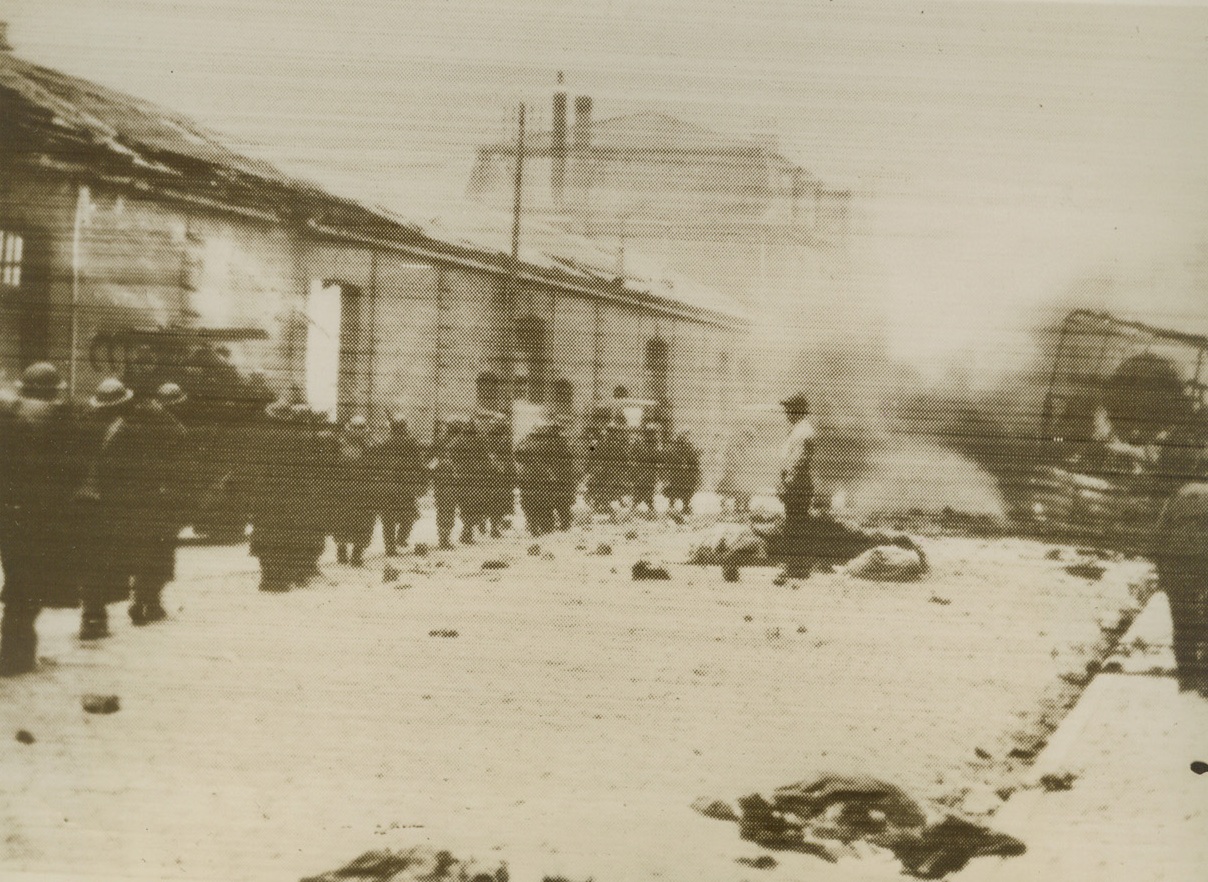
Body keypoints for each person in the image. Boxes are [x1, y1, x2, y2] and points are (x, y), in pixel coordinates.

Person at [0, 363, 78, 675]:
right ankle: (15, 655)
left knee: (17, 578)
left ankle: (13, 650)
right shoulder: (59, 418)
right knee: (29, 584)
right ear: (52, 391)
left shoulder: (8, 414)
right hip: (41, 517)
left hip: (8, 511)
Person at [92, 386, 188, 625]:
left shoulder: (126, 423)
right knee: (155, 551)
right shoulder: (149, 419)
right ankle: (147, 602)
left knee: (142, 551)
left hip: (131, 499)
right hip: (153, 497)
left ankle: (143, 603)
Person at [75, 377, 136, 639]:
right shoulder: (127, 430)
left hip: (87, 503)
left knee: (92, 561)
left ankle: (92, 615)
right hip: (103, 505)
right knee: (100, 561)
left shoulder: (86, 425)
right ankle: (94, 616)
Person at [1153, 468, 1208, 697]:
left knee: (1182, 622)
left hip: (1177, 567)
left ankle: (1186, 679)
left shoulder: (1176, 497)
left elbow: (1158, 535)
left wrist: (1162, 573)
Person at [369, 414, 424, 556]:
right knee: (409, 514)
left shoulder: (385, 442)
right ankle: (401, 538)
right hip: (406, 486)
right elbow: (418, 464)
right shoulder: (411, 442)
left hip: (388, 486)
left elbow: (376, 464)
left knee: (388, 518)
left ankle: (390, 547)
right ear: (404, 427)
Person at [777, 392, 816, 579]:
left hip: (798, 484)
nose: (786, 413)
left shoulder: (803, 431)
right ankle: (797, 567)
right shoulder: (799, 429)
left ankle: (795, 567)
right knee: (795, 524)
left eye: (789, 409)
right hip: (796, 482)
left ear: (797, 411)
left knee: (795, 526)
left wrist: (787, 484)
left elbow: (798, 461)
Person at [332, 415, 374, 565]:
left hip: (346, 491)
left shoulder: (340, 444)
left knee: (343, 520)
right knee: (361, 522)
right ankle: (355, 555)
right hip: (360, 491)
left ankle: (344, 552)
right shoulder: (370, 446)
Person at [664, 431, 702, 515]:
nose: (686, 440)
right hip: (678, 475)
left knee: (685, 492)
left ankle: (684, 507)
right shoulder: (676, 448)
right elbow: (670, 460)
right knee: (675, 491)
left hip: (685, 476)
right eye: (684, 438)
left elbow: (694, 461)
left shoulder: (688, 448)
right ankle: (673, 507)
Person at [630, 423, 663, 515]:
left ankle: (649, 506)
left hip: (651, 471)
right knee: (639, 488)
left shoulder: (655, 444)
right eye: (650, 433)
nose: (652, 435)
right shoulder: (639, 442)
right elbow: (633, 454)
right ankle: (635, 506)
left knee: (650, 489)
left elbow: (658, 457)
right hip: (641, 470)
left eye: (653, 433)